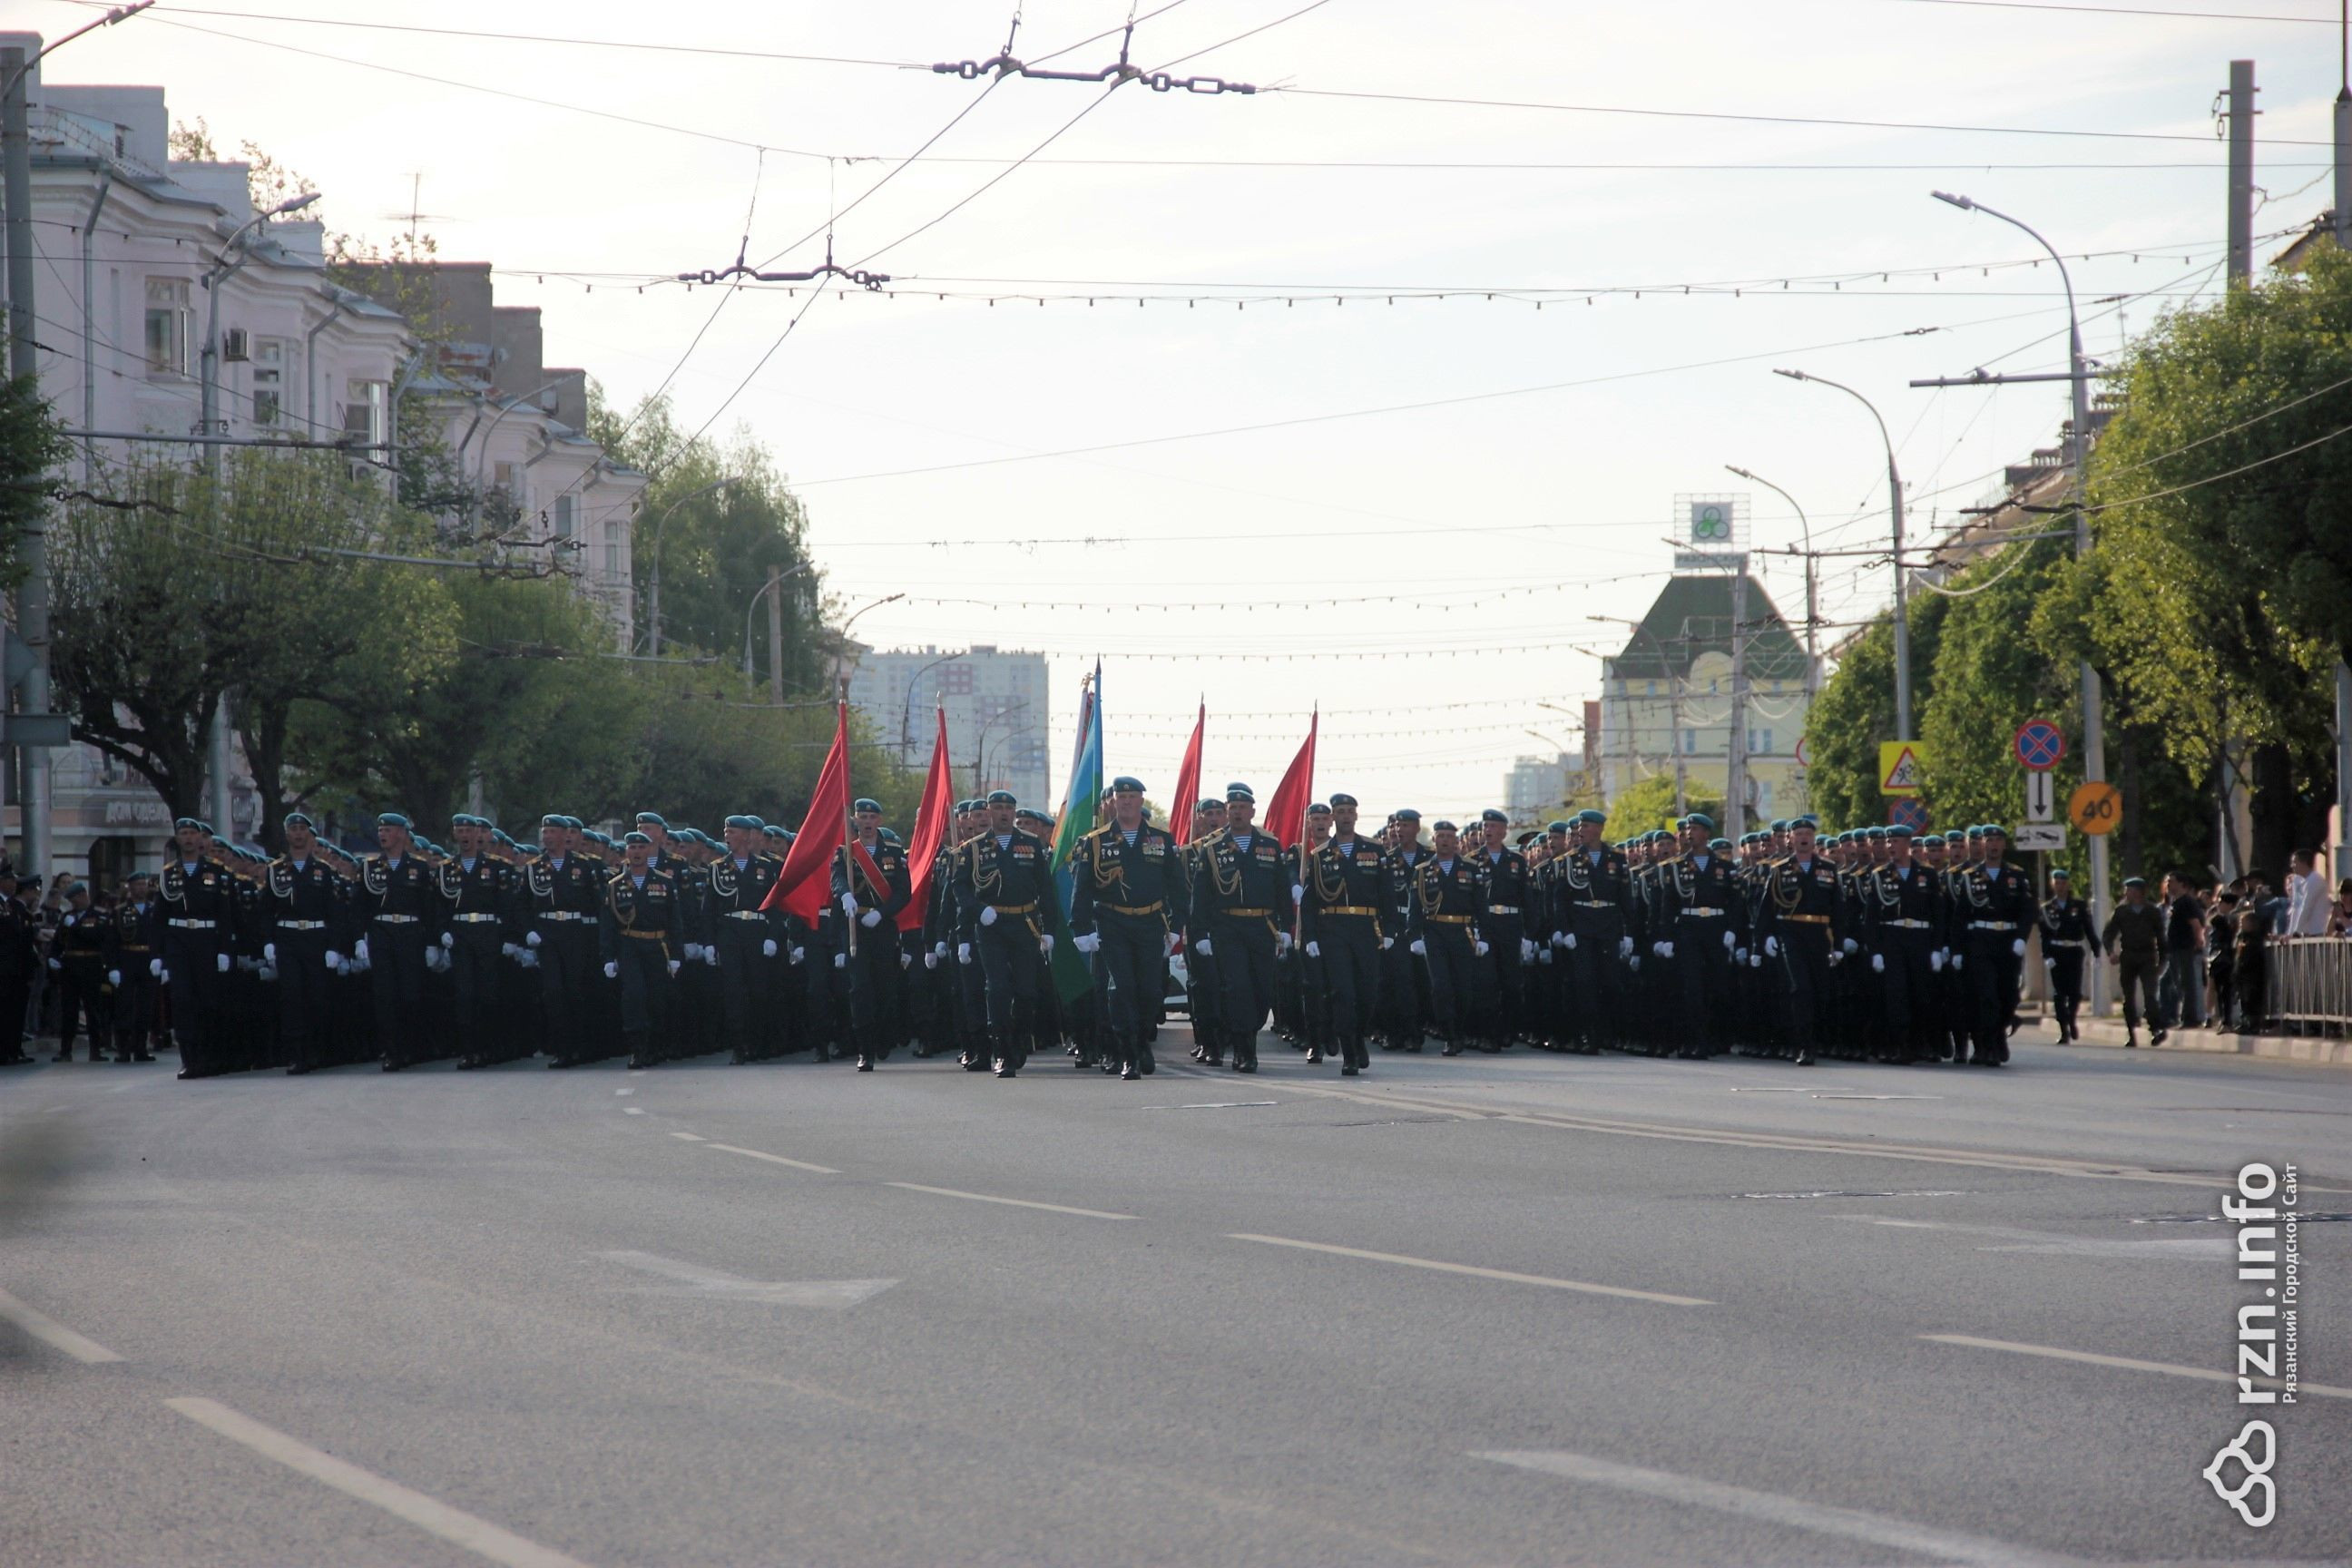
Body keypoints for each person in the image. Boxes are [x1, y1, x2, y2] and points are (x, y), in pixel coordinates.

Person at [1069, 776, 1184, 1080]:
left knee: (1150, 989)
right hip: (1113, 923)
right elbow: (1082, 888)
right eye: (1122, 797)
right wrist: (1081, 928)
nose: (1127, 802)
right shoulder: (1096, 841)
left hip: (1150, 923)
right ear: (1114, 802)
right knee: (1121, 988)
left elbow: (1178, 887)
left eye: (1133, 797)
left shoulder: (1161, 839)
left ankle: (1143, 1039)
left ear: (1141, 801)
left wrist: (1177, 926)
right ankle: (1128, 1053)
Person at [1190, 784, 1292, 1073]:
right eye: (1232, 808)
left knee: (1262, 989)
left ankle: (1248, 1032)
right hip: (1228, 927)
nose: (1237, 812)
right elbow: (1201, 895)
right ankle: (1244, 1050)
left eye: (1242, 808)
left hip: (1262, 926)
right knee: (1237, 988)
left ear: (1252, 811)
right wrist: (1200, 933)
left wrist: (1286, 927)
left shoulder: (1270, 845)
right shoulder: (1213, 848)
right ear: (1227, 811)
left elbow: (1282, 890)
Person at [956, 790, 1054, 1078]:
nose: (1003, 813)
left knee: (1026, 991)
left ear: (1013, 812)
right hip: (991, 925)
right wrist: (978, 910)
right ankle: (1002, 1050)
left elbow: (1045, 889)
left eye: (1008, 808)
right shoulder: (974, 847)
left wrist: (1050, 929)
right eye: (997, 808)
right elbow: (960, 888)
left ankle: (1021, 1038)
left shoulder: (1031, 844)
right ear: (988, 812)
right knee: (997, 988)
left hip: (1025, 923)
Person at [1294, 792, 1388, 1076]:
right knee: (1342, 992)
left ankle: (1359, 1036)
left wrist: (1392, 930)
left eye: (1350, 811)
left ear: (1356, 816)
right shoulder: (1320, 855)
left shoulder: (1374, 849)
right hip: (1333, 930)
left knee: (1368, 992)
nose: (1345, 816)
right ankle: (1349, 1051)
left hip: (1366, 928)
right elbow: (1310, 902)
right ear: (1333, 817)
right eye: (1341, 812)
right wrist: (1310, 937)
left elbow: (1387, 894)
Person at [268, 812, 349, 1074]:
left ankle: (315, 1050)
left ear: (310, 835)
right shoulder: (275, 870)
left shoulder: (323, 871)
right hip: (287, 938)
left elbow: (335, 912)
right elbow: (265, 910)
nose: (298, 834)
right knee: (291, 996)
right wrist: (268, 942)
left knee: (317, 997)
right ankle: (296, 1054)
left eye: (303, 829)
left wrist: (333, 946)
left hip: (315, 938)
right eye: (294, 829)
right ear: (287, 834)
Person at [601, 831, 681, 1070]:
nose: (636, 852)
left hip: (657, 945)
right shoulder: (615, 885)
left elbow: (675, 922)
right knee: (633, 995)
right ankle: (637, 1048)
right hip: (629, 945)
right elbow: (608, 924)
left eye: (640, 847)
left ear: (648, 850)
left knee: (657, 998)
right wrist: (608, 956)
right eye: (632, 848)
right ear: (627, 851)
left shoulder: (664, 883)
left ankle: (655, 1046)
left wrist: (676, 955)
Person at [1407, 818, 1486, 1058]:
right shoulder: (1422, 870)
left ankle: (1460, 1029)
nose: (1444, 841)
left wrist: (1484, 935)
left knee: (1463, 987)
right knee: (1441, 986)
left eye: (1449, 837)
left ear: (1456, 841)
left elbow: (1481, 906)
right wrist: (1415, 936)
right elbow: (1415, 907)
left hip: (1463, 932)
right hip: (1434, 932)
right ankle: (1449, 1035)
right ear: (1434, 840)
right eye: (1440, 836)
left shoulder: (1471, 868)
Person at [2102, 877, 2166, 1046]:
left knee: (2150, 995)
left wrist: (2162, 961)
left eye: (2129, 890)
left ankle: (2155, 1028)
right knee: (2128, 997)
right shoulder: (2121, 911)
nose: (2126, 893)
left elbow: (2161, 937)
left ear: (2138, 892)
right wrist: (2110, 952)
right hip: (2128, 956)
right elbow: (2108, 934)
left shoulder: (2152, 911)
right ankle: (2131, 1032)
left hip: (2147, 956)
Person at [2037, 868, 2091, 1043]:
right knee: (2059, 993)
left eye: (2063, 883)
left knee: (2075, 992)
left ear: (2068, 884)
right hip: (2056, 952)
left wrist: (2097, 952)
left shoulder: (2079, 906)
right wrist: (2046, 955)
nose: (2060, 886)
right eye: (2057, 883)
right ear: (2052, 885)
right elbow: (2044, 935)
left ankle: (2071, 1018)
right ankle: (2063, 1031)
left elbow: (2088, 929)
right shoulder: (2047, 908)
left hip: (2074, 951)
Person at [2158, 872, 2206, 1030]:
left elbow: (2196, 924)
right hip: (2174, 949)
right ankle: (2166, 1017)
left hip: (2184, 948)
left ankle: (2190, 1019)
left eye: (2172, 881)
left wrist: (2198, 941)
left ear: (2182, 884)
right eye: (2168, 882)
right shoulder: (2176, 903)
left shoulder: (2186, 902)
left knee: (2186, 984)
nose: (2168, 884)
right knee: (2167, 982)